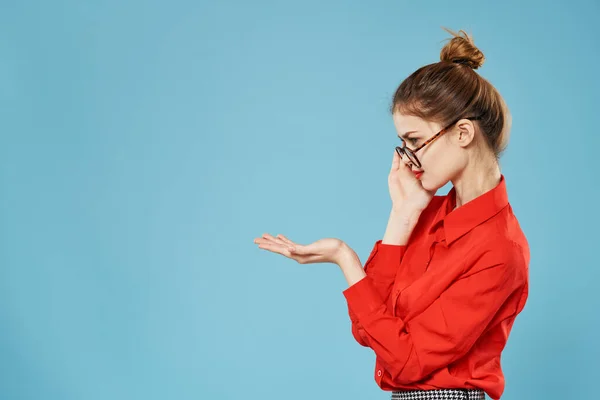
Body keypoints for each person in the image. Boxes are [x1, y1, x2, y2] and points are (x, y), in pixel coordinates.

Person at [253, 28, 529, 400]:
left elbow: (407, 361)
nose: (406, 158)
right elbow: (368, 331)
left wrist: (344, 258)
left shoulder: (500, 250)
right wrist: (402, 215)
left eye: (415, 141)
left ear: (463, 133)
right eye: (402, 144)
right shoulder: (427, 214)